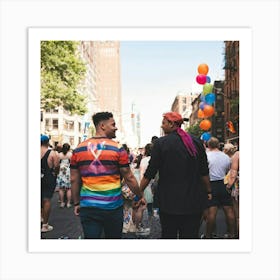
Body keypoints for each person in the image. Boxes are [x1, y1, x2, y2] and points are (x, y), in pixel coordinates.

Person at [70, 112, 145, 239]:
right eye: (113, 124)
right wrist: (139, 195)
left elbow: (73, 179)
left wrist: (77, 203)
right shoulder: (118, 149)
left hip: (88, 206)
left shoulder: (78, 149)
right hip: (112, 207)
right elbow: (129, 177)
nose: (116, 128)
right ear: (102, 126)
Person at [139, 112, 212, 239]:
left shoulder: (161, 144)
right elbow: (204, 172)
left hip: (169, 202)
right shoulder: (196, 142)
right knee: (190, 237)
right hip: (193, 200)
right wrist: (208, 191)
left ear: (172, 124)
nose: (162, 126)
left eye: (163, 123)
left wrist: (138, 193)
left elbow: (149, 173)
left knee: (169, 235)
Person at [205, 137, 236, 238]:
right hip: (223, 183)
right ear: (218, 145)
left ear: (208, 145)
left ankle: (209, 235)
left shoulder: (206, 156)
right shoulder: (226, 157)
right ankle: (232, 234)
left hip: (211, 184)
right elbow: (228, 170)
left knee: (212, 211)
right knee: (229, 210)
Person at [41, 135, 60, 233]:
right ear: (47, 142)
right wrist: (55, 174)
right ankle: (45, 225)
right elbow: (57, 166)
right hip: (48, 177)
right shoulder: (52, 153)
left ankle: (40, 218)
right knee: (46, 199)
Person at [225, 150, 239, 238]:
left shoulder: (237, 155)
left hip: (239, 188)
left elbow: (233, 174)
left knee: (239, 214)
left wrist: (228, 186)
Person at [56, 143, 72, 208]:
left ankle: (62, 203)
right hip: (68, 171)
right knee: (69, 189)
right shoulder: (70, 154)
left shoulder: (59, 155)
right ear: (69, 148)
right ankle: (68, 203)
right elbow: (72, 163)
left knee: (61, 188)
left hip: (61, 171)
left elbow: (57, 163)